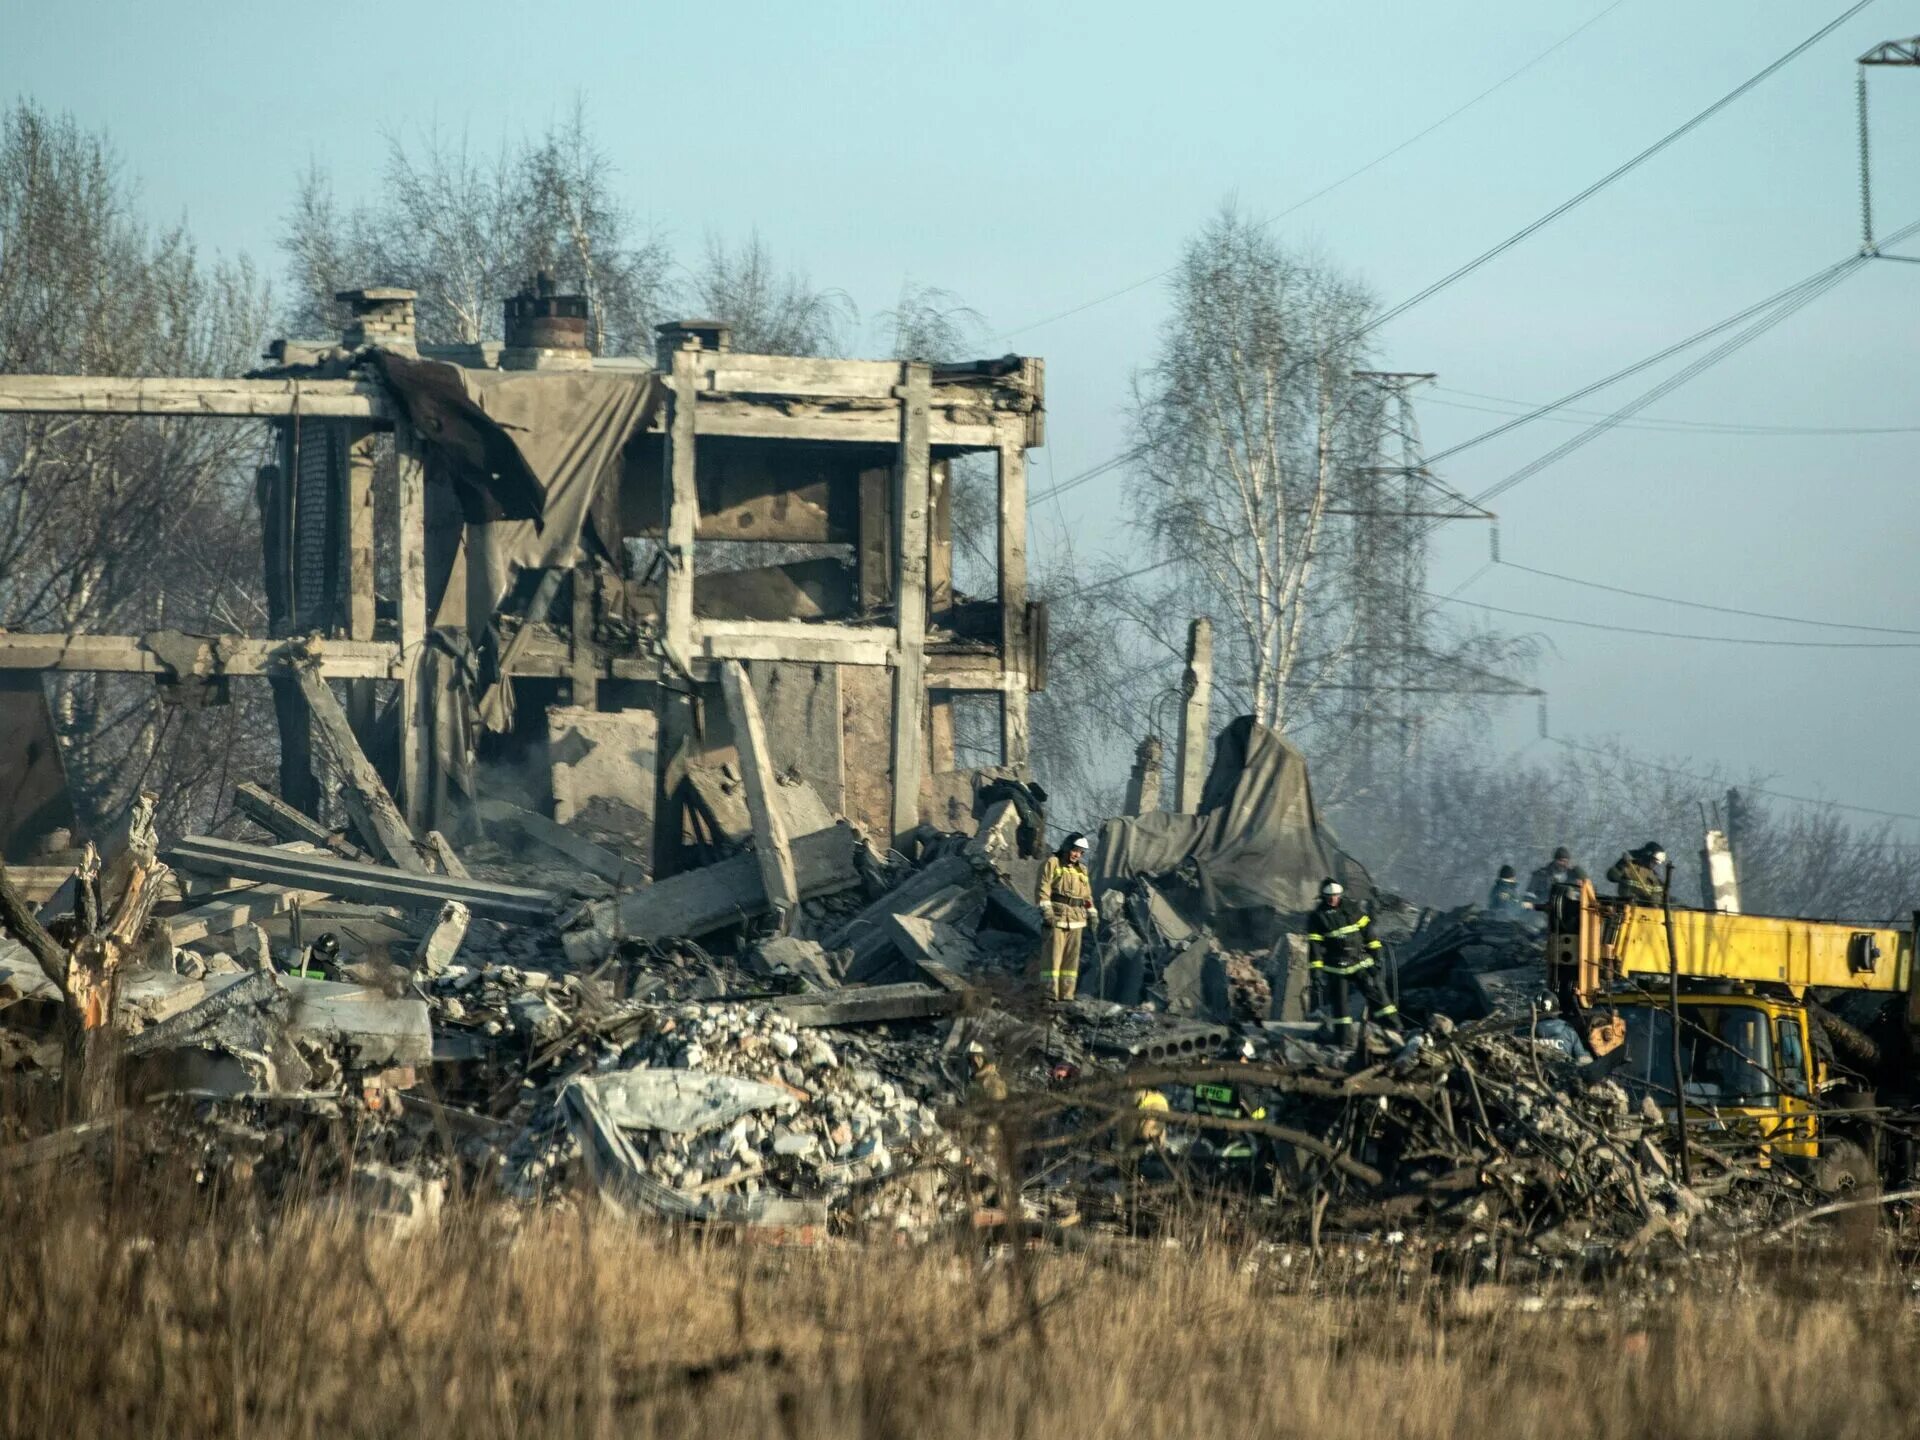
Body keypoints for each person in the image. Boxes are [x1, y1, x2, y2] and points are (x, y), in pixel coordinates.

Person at [1305, 878, 1400, 1043]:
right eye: (1329, 896)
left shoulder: (1352, 909)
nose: (1332, 899)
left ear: (1340, 895)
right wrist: (1316, 974)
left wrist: (1376, 955)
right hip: (1336, 967)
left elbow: (1368, 933)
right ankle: (1343, 1040)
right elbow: (1315, 948)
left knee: (1378, 995)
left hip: (1360, 962)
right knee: (1340, 1004)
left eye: (1335, 896)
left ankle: (1393, 1029)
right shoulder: (1317, 917)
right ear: (1323, 897)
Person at [1033, 833, 1096, 1001]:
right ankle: (1049, 994)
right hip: (1056, 919)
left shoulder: (1082, 870)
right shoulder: (1052, 863)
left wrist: (1092, 914)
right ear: (1067, 847)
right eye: (1075, 850)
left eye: (1081, 852)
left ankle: (1067, 995)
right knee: (1052, 960)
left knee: (1071, 964)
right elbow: (1042, 890)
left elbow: (1087, 897)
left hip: (1077, 921)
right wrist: (1047, 913)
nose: (1077, 855)